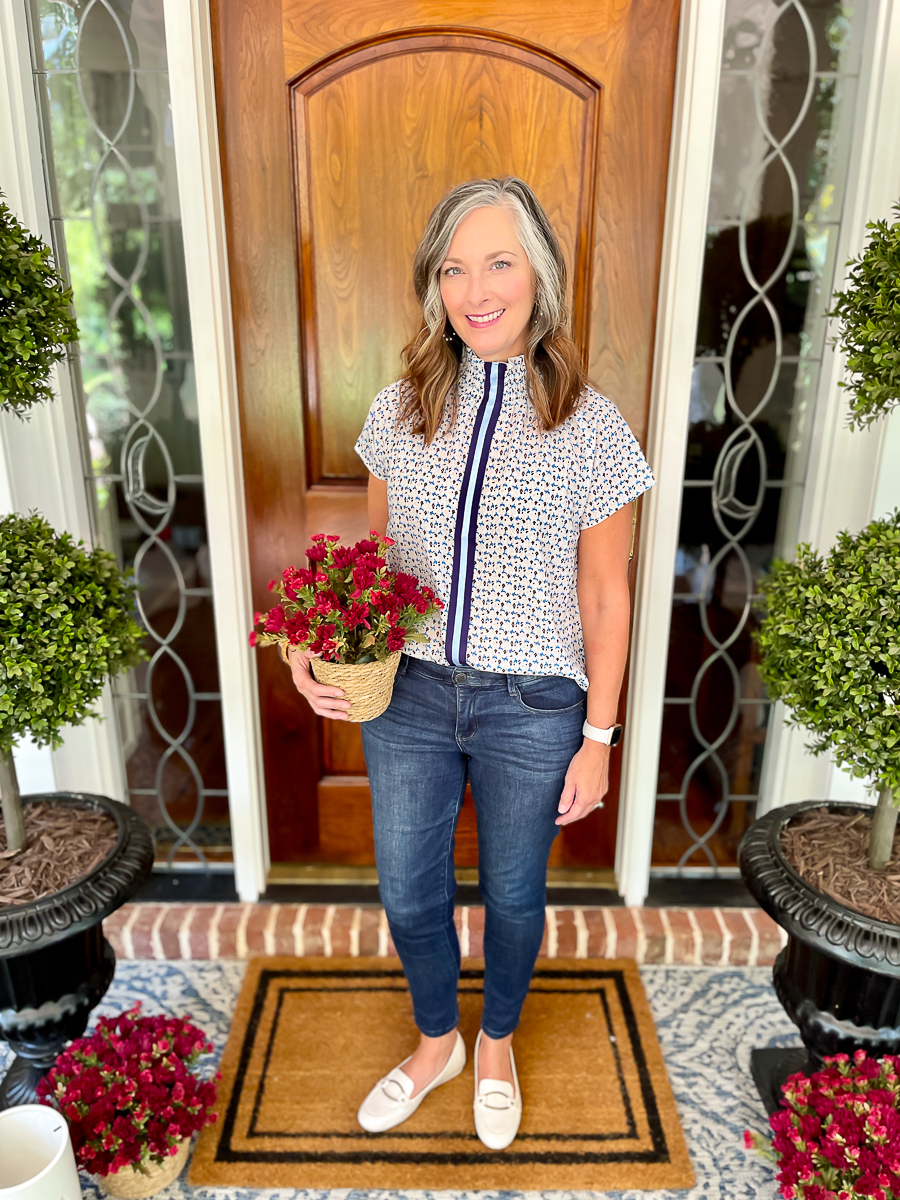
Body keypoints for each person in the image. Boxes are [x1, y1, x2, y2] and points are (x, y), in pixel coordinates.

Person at [285, 176, 655, 1150]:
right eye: (454, 268)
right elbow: (365, 570)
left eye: (499, 262)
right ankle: (436, 1039)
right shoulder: (400, 412)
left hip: (533, 704)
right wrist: (314, 653)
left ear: (540, 277)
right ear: (432, 287)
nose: (476, 288)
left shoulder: (592, 428)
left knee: (515, 896)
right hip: (405, 693)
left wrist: (599, 739)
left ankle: (495, 1044)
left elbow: (608, 595)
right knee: (409, 889)